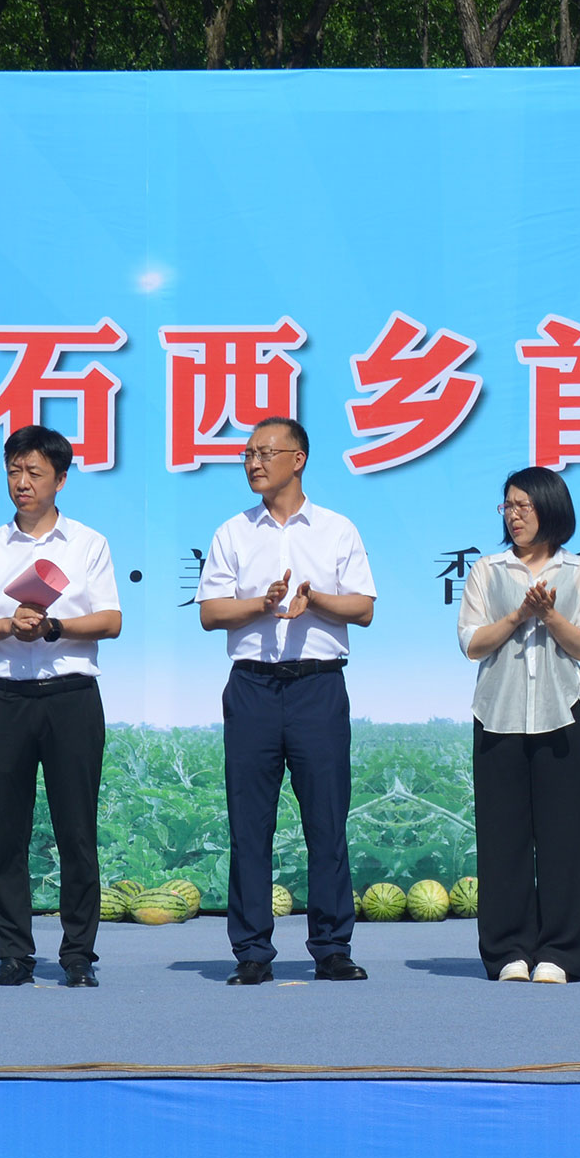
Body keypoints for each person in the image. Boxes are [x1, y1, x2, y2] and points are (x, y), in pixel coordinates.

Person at [196, 417, 376, 985]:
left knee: (326, 820)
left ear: (298, 459)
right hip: (251, 686)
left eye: (264, 453)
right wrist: (262, 602)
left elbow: (363, 608)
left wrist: (313, 598)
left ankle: (332, 947)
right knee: (250, 825)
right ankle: (252, 951)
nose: (253, 462)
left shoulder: (336, 530)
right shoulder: (233, 532)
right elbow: (210, 613)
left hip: (318, 688)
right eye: (247, 454)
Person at [0, 424, 123, 988]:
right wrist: (9, 624)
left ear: (61, 480)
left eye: (34, 472)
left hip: (71, 697)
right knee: (8, 833)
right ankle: (13, 956)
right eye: (13, 471)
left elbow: (110, 620)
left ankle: (78, 956)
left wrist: (53, 627)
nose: (21, 483)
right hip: (5, 698)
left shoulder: (88, 544)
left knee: (76, 831)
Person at [460, 467, 580, 983]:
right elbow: (471, 643)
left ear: (551, 508)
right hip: (497, 715)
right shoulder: (487, 570)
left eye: (524, 505)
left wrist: (550, 615)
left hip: (561, 714)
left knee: (564, 838)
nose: (514, 515)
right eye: (508, 506)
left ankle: (561, 953)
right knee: (503, 840)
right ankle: (508, 951)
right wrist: (519, 615)